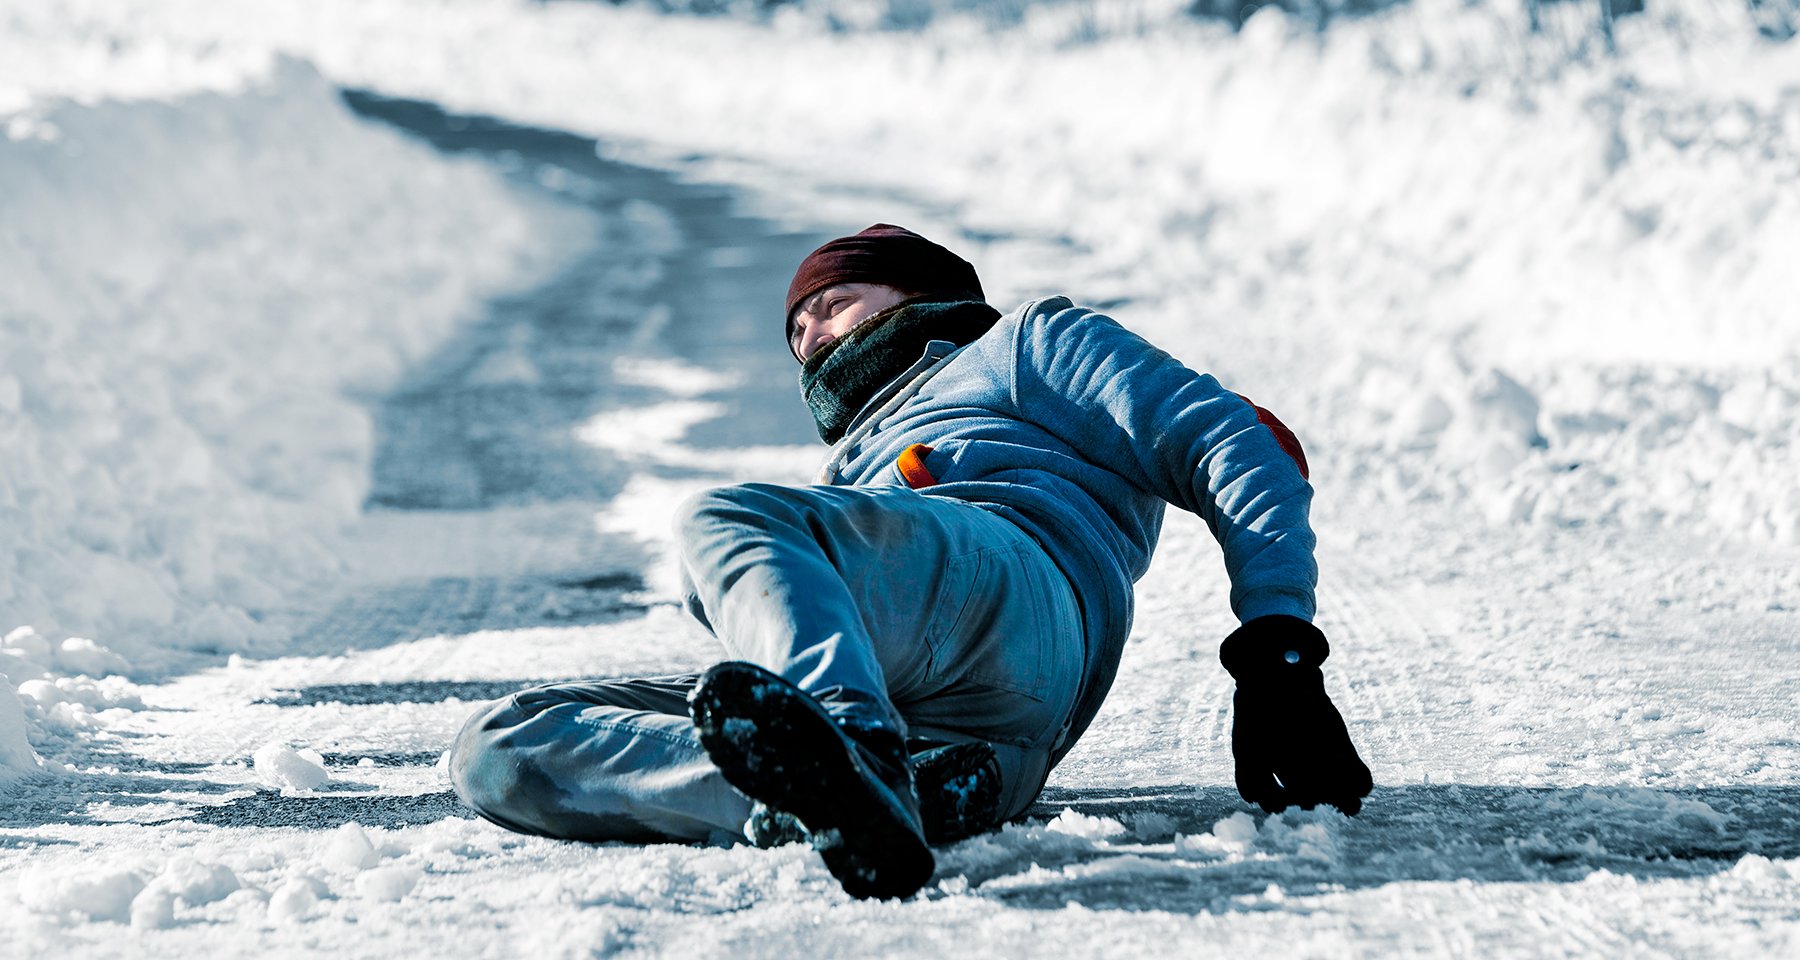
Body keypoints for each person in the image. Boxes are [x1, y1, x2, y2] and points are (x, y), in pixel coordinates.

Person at [448, 224, 1373, 901]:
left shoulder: (1025, 346)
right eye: (795, 330)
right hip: (983, 729)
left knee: (723, 522)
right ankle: (846, 798)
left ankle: (851, 747)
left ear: (919, 295)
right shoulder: (849, 466)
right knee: (500, 743)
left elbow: (1235, 440)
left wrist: (1278, 646)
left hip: (1017, 586)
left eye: (832, 303)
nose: (809, 336)